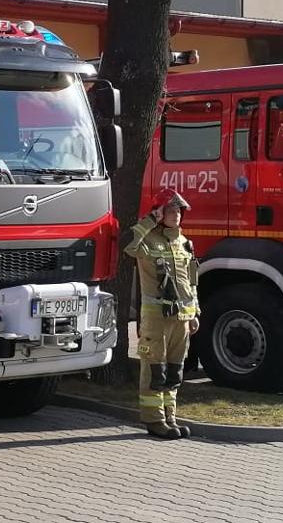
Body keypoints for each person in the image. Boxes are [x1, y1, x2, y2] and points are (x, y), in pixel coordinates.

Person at [122, 187, 200, 439]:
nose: (176, 214)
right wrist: (151, 219)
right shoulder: (148, 241)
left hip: (182, 319)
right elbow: (128, 243)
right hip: (156, 320)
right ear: (159, 213)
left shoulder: (185, 243)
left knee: (175, 370)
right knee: (155, 369)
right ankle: (154, 420)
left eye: (179, 210)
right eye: (170, 210)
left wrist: (195, 312)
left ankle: (170, 417)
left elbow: (191, 283)